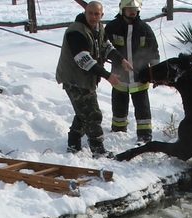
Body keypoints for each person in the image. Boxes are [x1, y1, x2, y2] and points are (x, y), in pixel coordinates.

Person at [56, 1, 133, 157]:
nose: (93, 16)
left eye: (96, 14)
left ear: (101, 15)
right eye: (90, 13)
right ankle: (98, 150)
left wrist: (121, 60)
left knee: (83, 112)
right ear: (85, 13)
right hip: (74, 80)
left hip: (86, 80)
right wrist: (107, 76)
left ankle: (73, 144)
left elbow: (106, 47)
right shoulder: (76, 32)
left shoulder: (98, 29)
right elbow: (84, 60)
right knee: (92, 114)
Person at [105, 0, 159, 143]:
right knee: (119, 105)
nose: (132, 11)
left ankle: (145, 134)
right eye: (129, 8)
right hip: (119, 75)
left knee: (142, 107)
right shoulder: (112, 27)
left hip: (140, 76)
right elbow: (103, 47)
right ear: (122, 9)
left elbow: (153, 52)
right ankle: (118, 130)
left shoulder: (145, 29)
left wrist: (155, 73)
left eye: (134, 9)